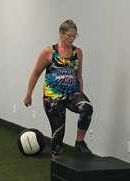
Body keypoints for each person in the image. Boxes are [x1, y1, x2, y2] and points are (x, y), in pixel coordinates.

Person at [24, 19, 93, 160]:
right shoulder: (49, 52)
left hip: (72, 93)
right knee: (58, 136)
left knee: (87, 108)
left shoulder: (77, 52)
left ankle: (79, 141)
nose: (72, 39)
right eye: (69, 35)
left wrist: (81, 93)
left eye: (75, 36)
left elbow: (79, 75)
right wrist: (28, 94)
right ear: (61, 34)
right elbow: (36, 73)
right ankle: (57, 165)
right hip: (53, 98)